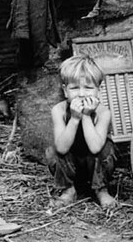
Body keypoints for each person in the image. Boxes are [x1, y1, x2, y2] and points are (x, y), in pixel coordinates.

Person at [45, 54, 117, 209]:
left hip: (95, 167)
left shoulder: (103, 112)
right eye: (74, 88)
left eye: (89, 88)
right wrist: (74, 119)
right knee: (53, 150)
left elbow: (95, 147)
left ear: (99, 90)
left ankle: (101, 190)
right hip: (72, 168)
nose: (82, 94)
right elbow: (62, 148)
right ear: (65, 91)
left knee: (107, 148)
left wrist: (85, 116)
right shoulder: (59, 110)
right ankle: (68, 189)